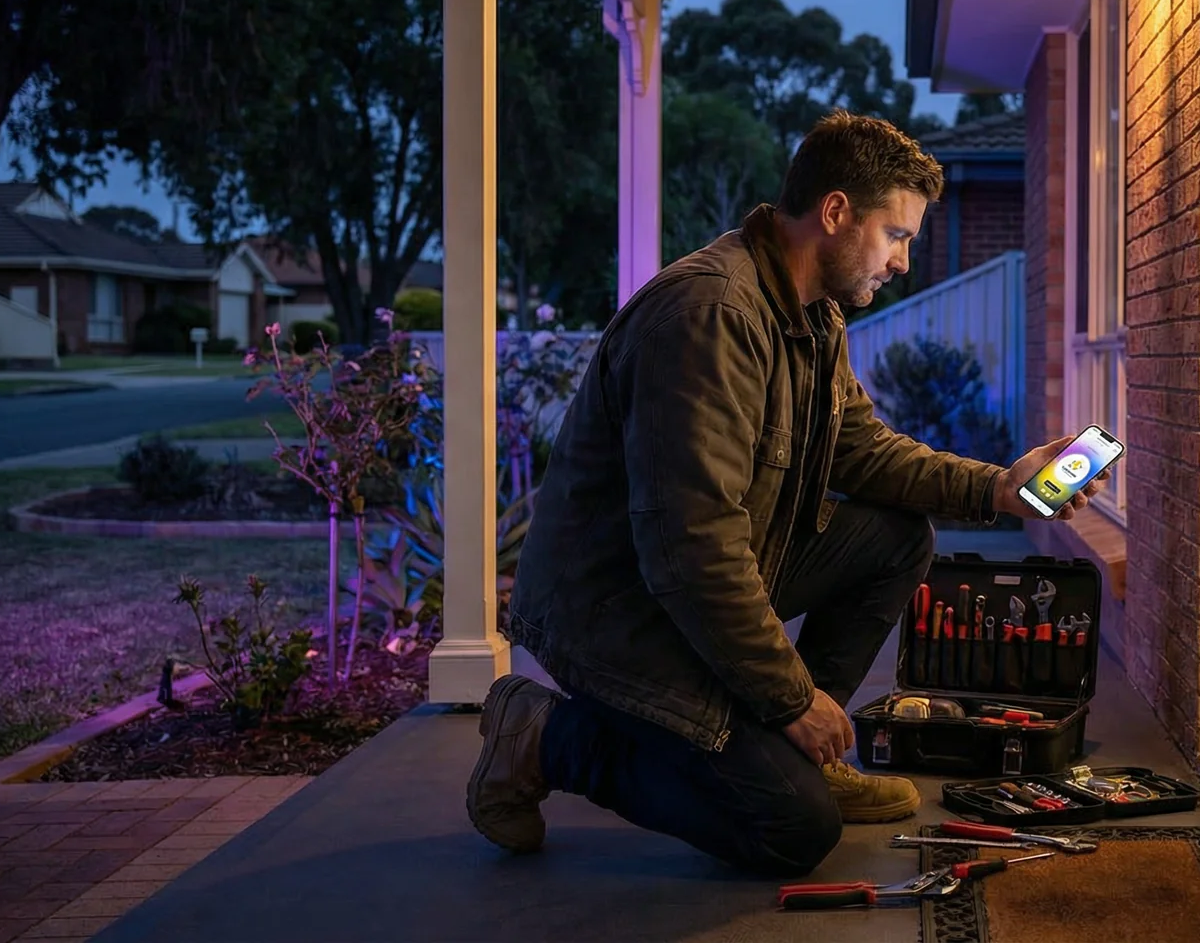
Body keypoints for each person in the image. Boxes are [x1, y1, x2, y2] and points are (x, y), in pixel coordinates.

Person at [466, 109, 1109, 878]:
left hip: (700, 581)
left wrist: (1001, 489)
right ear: (835, 213)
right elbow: (691, 551)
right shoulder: (710, 315)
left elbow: (861, 451)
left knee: (896, 537)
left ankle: (807, 748)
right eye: (897, 235)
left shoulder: (811, 313)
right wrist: (789, 696)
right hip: (620, 615)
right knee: (791, 829)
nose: (904, 261)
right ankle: (540, 736)